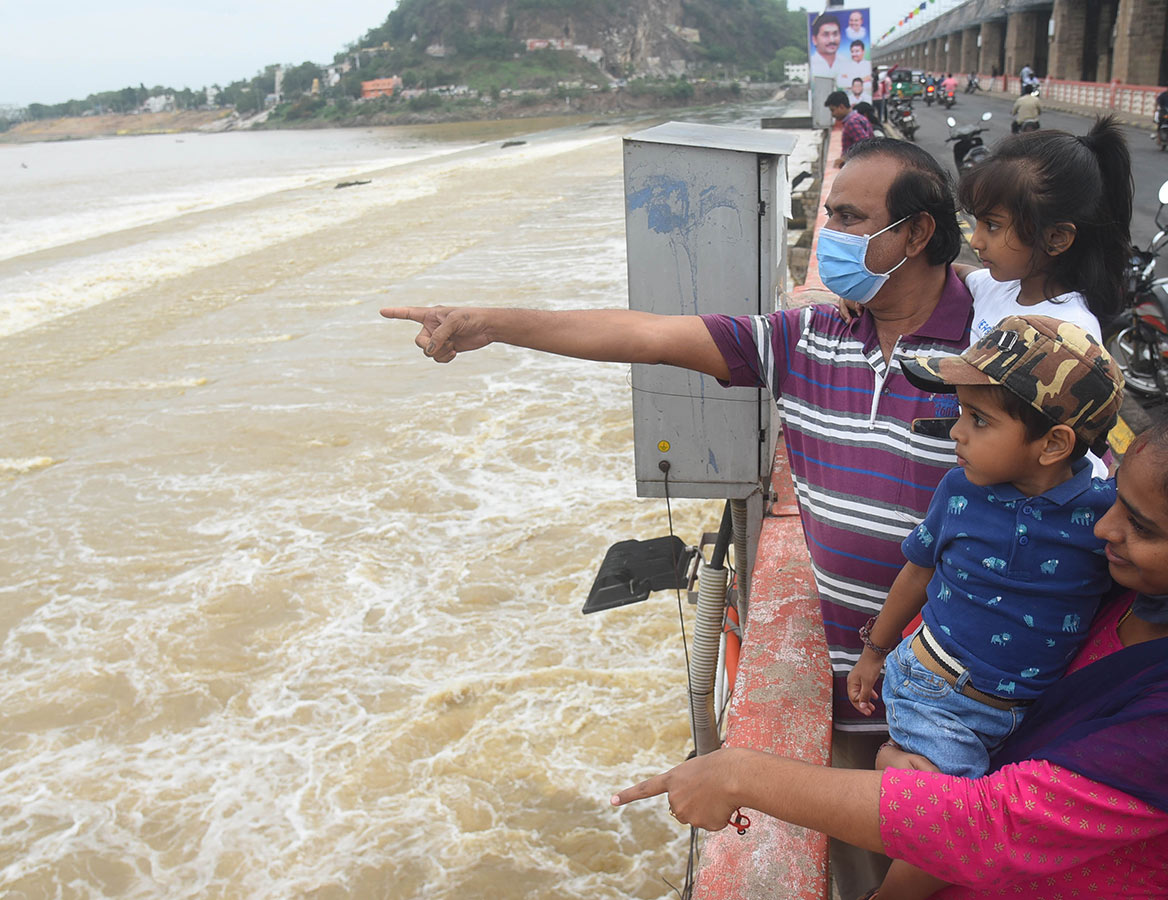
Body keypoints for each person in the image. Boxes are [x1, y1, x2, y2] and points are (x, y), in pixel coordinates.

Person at [384, 137, 972, 900]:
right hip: (852, 690)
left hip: (968, 693)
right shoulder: (806, 337)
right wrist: (492, 323)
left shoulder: (989, 351)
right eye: (827, 214)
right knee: (866, 872)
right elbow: (646, 334)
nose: (829, 234)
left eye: (851, 218)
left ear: (917, 233)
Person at [612, 401, 1168, 900]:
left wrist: (741, 774)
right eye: (1114, 501)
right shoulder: (1130, 592)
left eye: (1142, 527)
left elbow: (983, 829)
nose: (1103, 529)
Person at [847, 315, 1124, 899]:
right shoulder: (959, 491)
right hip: (938, 689)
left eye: (978, 419)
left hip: (1021, 708)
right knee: (958, 826)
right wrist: (872, 653)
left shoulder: (1105, 517)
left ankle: (894, 766)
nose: (956, 434)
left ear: (1053, 443)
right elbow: (917, 571)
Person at [955, 116, 1133, 341]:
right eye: (978, 222)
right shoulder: (1001, 288)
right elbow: (958, 273)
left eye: (992, 225)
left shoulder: (1070, 335)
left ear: (1056, 238)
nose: (975, 242)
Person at [825, 91, 874, 167]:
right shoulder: (858, 117)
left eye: (833, 110)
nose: (832, 114)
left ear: (841, 107)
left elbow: (865, 146)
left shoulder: (851, 123)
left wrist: (845, 158)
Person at [810, 13, 842, 79]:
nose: (832, 40)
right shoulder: (811, 65)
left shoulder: (846, 62)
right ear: (815, 40)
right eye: (826, 35)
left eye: (835, 34)